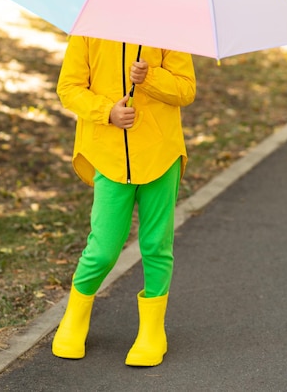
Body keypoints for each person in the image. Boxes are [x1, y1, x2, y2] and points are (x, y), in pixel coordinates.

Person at [52, 36, 196, 366]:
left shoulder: (167, 27)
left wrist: (152, 77)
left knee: (156, 244)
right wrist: (108, 112)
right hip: (109, 154)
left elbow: (186, 90)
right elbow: (69, 87)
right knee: (103, 247)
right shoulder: (88, 28)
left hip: (160, 154)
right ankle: (75, 316)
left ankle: (152, 331)